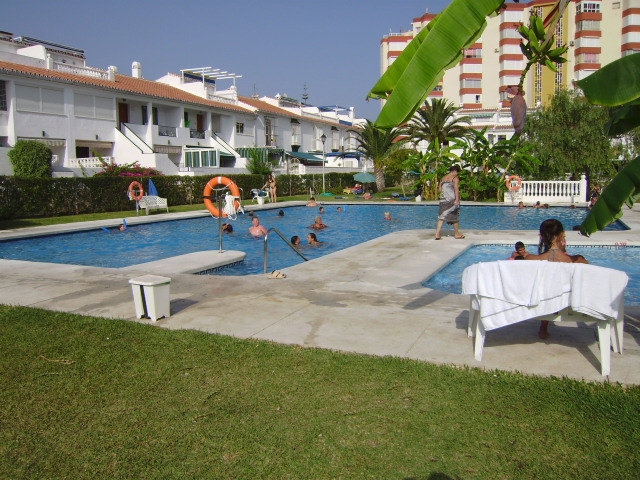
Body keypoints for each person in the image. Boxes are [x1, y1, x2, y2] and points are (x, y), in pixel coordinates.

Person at [525, 218, 589, 338]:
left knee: (548, 288)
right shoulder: (579, 261)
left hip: (539, 304)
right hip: (569, 305)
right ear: (562, 235)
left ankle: (543, 327)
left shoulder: (530, 259)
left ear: (542, 237)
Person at [434, 165, 464, 240]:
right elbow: (456, 189)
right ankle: (457, 234)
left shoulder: (443, 178)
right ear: (454, 171)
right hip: (452, 200)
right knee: (454, 216)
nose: (457, 174)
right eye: (457, 172)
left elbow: (440, 190)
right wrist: (457, 199)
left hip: (443, 200)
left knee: (441, 217)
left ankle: (437, 234)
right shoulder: (455, 178)